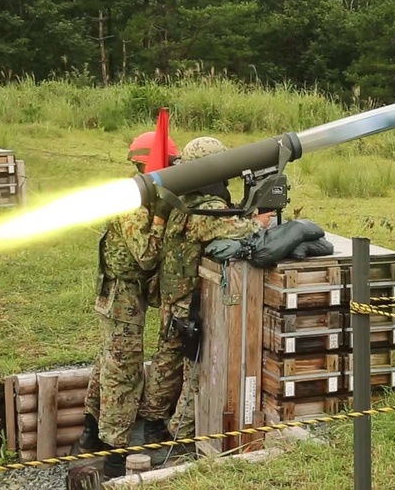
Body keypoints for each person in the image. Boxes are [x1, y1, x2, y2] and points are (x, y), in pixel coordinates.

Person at [137, 136, 274, 462]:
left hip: (172, 295)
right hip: (189, 301)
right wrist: (260, 221)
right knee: (194, 367)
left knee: (166, 360)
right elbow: (239, 231)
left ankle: (152, 420)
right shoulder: (205, 209)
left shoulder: (179, 200)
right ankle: (180, 434)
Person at [70, 131, 179, 480]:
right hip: (122, 297)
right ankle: (114, 454)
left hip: (123, 294)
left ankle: (91, 434)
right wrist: (160, 218)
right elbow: (146, 256)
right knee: (124, 372)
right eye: (171, 162)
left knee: (109, 363)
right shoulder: (133, 203)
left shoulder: (138, 193)